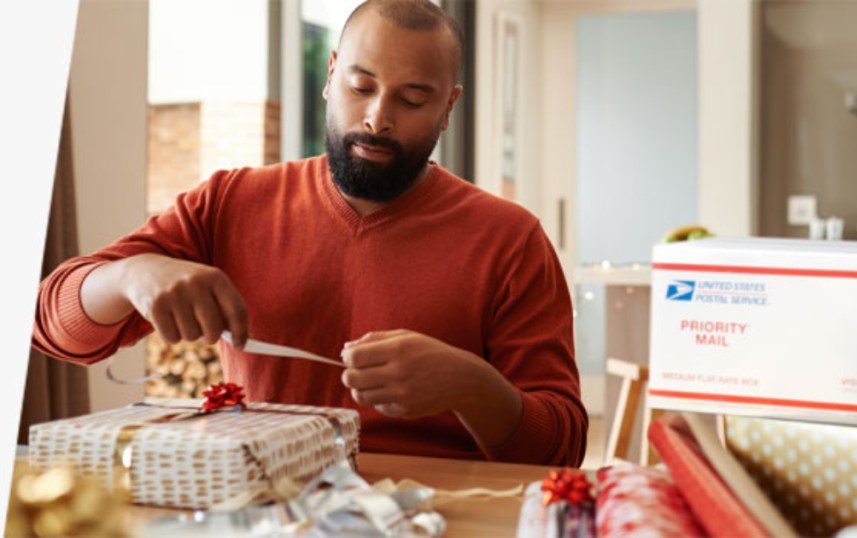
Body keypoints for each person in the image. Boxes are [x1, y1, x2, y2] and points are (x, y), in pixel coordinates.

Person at [33, 0, 587, 467]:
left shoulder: (511, 240)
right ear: (329, 77)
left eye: (412, 100)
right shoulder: (231, 202)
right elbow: (52, 327)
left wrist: (472, 386)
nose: (377, 118)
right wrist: (130, 275)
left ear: (448, 108)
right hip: (262, 507)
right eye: (361, 86)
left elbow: (562, 449)